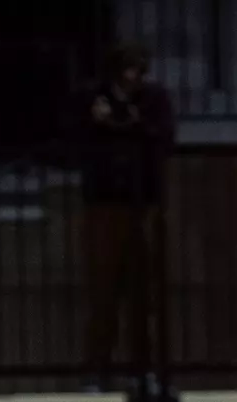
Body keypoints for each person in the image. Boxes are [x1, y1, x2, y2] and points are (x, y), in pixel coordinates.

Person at [81, 42, 175, 381]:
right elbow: (76, 138)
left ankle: (144, 369)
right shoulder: (95, 96)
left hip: (142, 201)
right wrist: (99, 122)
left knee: (143, 292)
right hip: (105, 202)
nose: (132, 77)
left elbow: (165, 138)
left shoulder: (154, 99)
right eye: (126, 70)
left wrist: (135, 124)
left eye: (137, 70)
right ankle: (98, 369)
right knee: (103, 291)